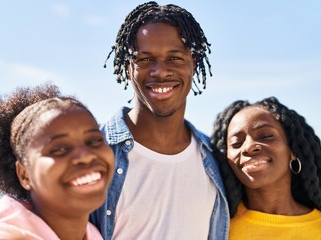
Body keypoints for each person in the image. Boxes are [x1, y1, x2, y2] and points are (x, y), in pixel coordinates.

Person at [89, 1, 229, 240]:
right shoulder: (91, 154)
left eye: (174, 59)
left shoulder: (216, 160)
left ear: (193, 64)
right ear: (126, 67)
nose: (160, 71)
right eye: (144, 59)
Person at [0, 84, 115, 240]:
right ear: (24, 175)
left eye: (94, 140)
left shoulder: (91, 233)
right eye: (59, 149)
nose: (86, 156)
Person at [211, 96, 321, 239]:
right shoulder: (216, 227)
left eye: (266, 136)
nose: (248, 147)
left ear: (292, 150)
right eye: (236, 143)